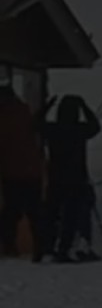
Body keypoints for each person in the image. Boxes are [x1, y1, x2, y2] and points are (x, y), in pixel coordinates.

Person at [41, 95, 102, 262]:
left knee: (52, 215)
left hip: (56, 178)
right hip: (77, 179)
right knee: (72, 215)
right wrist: (85, 107)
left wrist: (47, 107)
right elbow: (96, 126)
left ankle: (48, 247)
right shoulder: (79, 130)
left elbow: (35, 125)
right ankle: (66, 248)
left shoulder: (53, 129)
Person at [0, 86, 49, 262]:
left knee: (11, 212)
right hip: (32, 172)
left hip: (11, 173)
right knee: (34, 212)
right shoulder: (25, 112)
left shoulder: (4, 117)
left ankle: (9, 245)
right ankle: (40, 246)